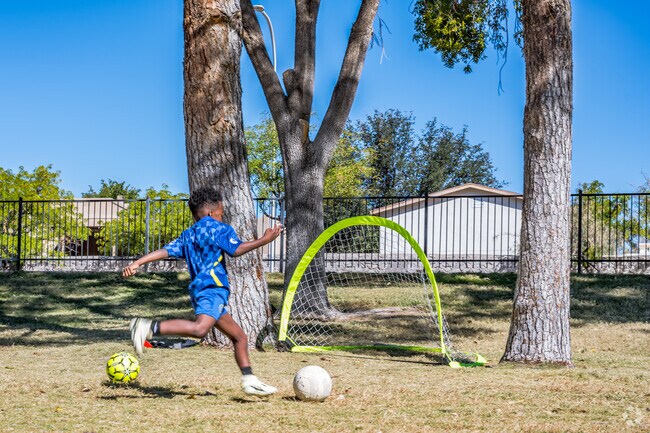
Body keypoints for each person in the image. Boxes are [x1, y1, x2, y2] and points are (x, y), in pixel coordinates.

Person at [122, 187, 283, 396]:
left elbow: (164, 251)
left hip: (201, 292)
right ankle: (147, 326)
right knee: (200, 330)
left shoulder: (188, 235)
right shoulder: (219, 229)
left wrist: (137, 263)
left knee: (240, 337)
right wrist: (264, 239)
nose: (222, 215)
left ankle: (249, 380)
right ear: (211, 212)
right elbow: (236, 249)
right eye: (221, 211)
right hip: (212, 290)